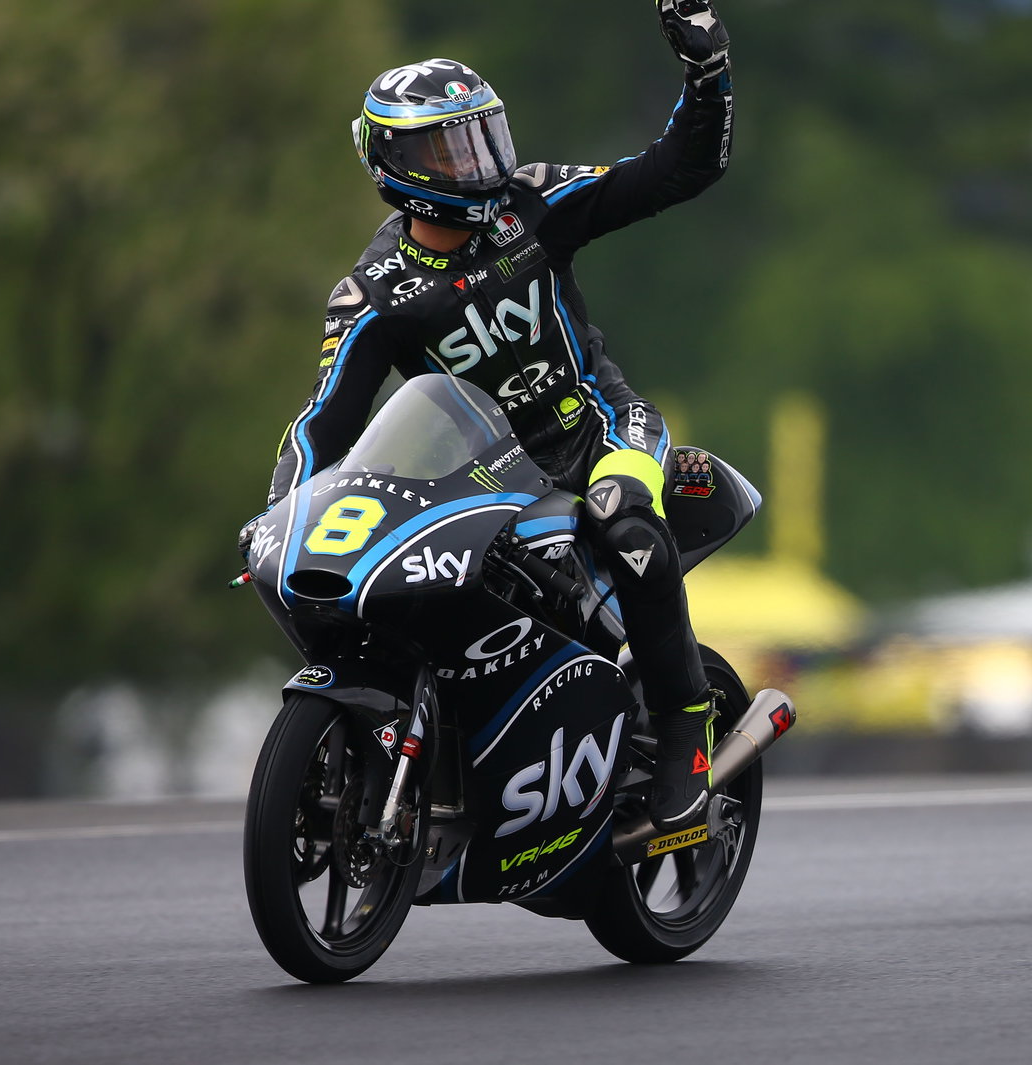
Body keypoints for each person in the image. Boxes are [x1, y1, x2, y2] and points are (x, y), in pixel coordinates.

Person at [242, 1, 733, 832]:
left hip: (599, 432)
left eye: (483, 138)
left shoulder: (533, 204)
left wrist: (707, 71)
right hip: (478, 478)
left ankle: (686, 727)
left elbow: (675, 170)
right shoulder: (372, 295)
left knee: (624, 514)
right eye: (451, 148)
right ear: (396, 164)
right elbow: (323, 423)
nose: (479, 163)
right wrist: (284, 510)